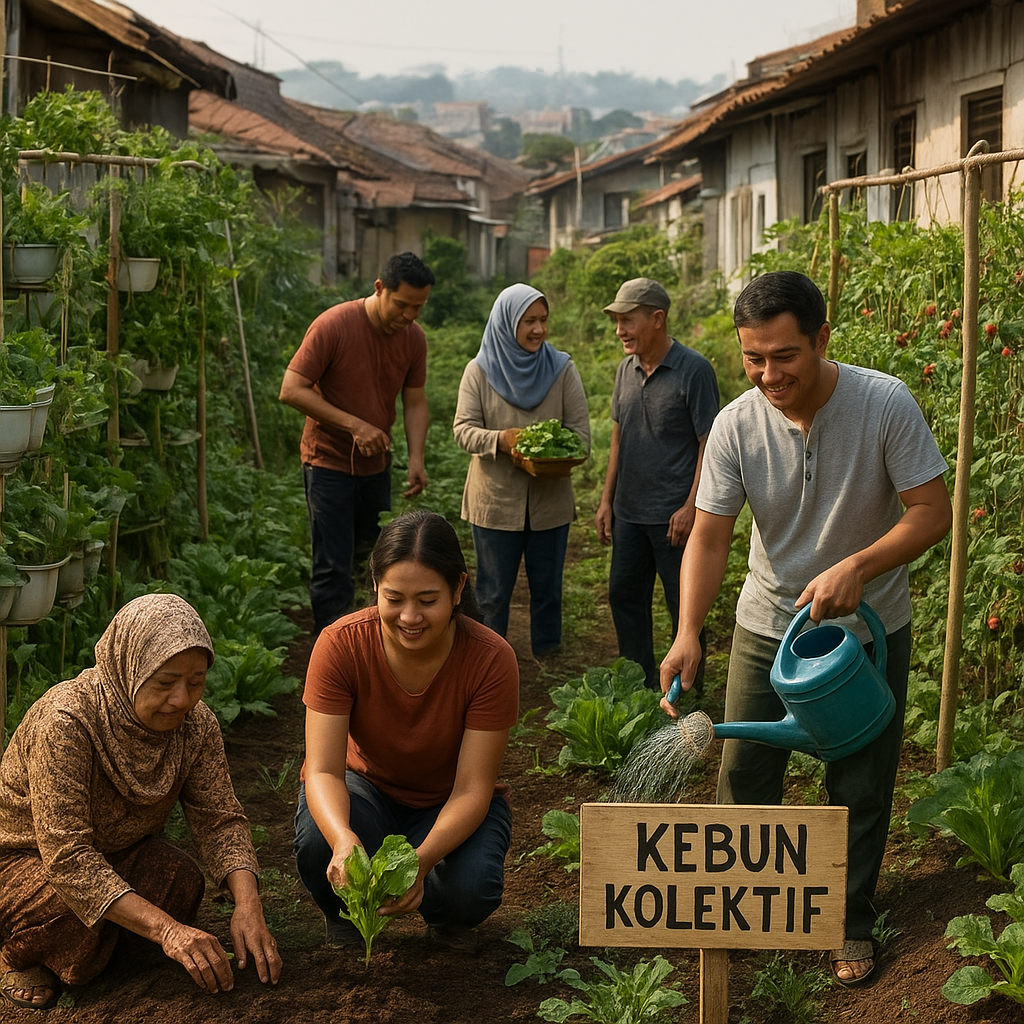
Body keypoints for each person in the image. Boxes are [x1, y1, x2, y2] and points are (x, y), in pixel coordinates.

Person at [659, 270, 952, 986]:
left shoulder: (883, 404)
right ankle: (744, 912)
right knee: (746, 770)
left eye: (784, 356)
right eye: (752, 358)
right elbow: (709, 535)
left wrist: (860, 563)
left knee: (860, 778)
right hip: (767, 623)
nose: (767, 374)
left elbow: (931, 511)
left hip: (867, 631)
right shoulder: (736, 423)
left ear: (822, 339)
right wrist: (689, 630)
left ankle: (846, 918)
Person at [0, 594, 282, 1010]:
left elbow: (219, 819)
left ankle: (94, 947)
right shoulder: (67, 723)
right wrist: (168, 931)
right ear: (127, 669)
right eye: (165, 682)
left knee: (182, 882)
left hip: (117, 853)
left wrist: (248, 905)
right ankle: (13, 954)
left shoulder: (196, 725)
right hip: (27, 862)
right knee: (71, 908)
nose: (182, 699)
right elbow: (68, 859)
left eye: (196, 681)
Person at [293, 510, 519, 951]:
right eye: (394, 598)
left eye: (427, 600)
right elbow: (322, 771)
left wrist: (421, 860)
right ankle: (347, 914)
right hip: (365, 791)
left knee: (471, 889)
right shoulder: (340, 645)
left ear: (458, 589)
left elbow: (474, 788)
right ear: (375, 585)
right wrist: (343, 840)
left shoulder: (491, 659)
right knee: (321, 842)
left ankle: (439, 908)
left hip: (448, 799)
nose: (410, 617)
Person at [280, 251, 435, 635]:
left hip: (376, 464)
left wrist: (416, 458)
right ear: (379, 288)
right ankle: (330, 655)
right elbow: (291, 389)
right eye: (402, 305)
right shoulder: (334, 324)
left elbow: (414, 401)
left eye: (418, 307)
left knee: (376, 558)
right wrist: (355, 426)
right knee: (332, 565)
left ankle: (370, 641)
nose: (410, 316)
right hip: (327, 461)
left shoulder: (413, 339)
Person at [595, 278, 719, 691]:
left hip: (674, 517)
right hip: (629, 511)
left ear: (658, 318)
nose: (620, 331)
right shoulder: (624, 370)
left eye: (627, 321)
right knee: (624, 596)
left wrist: (691, 507)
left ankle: (689, 687)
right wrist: (606, 500)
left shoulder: (694, 370)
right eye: (617, 322)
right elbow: (617, 437)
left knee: (684, 605)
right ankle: (640, 682)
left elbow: (709, 444)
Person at [453, 283, 590, 658]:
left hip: (550, 502)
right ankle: (486, 657)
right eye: (529, 321)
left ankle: (547, 654)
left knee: (547, 586)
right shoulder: (478, 371)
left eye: (544, 320)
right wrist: (502, 440)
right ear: (506, 322)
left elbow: (581, 435)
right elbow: (462, 430)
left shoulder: (562, 369)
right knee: (493, 590)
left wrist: (550, 455)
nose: (538, 329)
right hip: (494, 503)